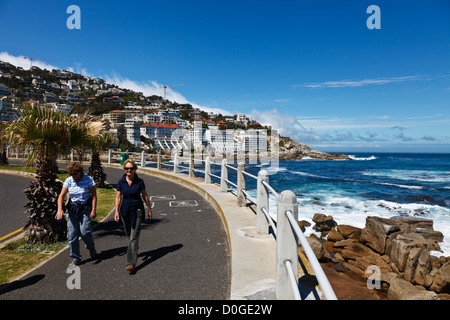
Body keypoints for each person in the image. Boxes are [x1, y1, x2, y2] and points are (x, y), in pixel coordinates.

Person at [56, 161, 98, 266]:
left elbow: (94, 196)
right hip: (72, 209)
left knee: (84, 232)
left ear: (80, 172)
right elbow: (61, 196)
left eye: (75, 174)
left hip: (85, 207)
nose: (73, 176)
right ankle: (76, 257)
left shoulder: (88, 180)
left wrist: (93, 210)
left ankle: (91, 247)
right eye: (71, 174)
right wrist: (60, 209)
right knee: (72, 234)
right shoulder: (69, 181)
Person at [114, 159, 152, 273]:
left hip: (137, 210)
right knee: (129, 234)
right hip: (125, 210)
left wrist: (149, 209)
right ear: (124, 170)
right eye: (127, 169)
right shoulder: (121, 182)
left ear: (135, 169)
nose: (129, 170)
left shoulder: (140, 182)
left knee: (133, 237)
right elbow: (118, 197)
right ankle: (134, 248)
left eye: (131, 168)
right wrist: (116, 211)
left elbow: (145, 196)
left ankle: (130, 263)